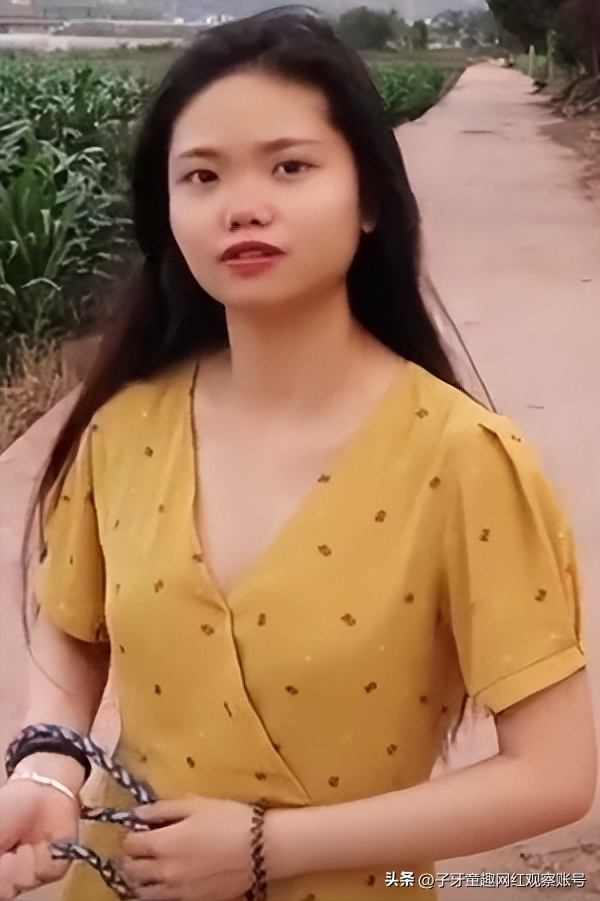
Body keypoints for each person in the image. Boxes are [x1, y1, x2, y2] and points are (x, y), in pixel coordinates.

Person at [0, 6, 596, 901]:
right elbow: (74, 623)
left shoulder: (464, 460)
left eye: (290, 166)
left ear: (369, 201)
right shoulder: (124, 430)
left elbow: (554, 774)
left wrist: (268, 845)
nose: (243, 204)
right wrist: (48, 770)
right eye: (202, 175)